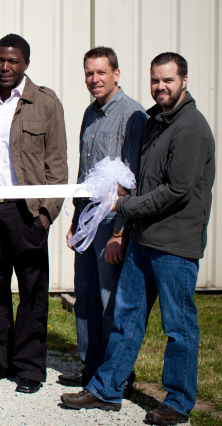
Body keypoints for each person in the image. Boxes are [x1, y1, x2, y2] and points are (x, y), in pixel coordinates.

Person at [61, 52, 215, 426]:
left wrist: (123, 211)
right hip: (144, 237)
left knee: (178, 327)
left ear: (184, 81)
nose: (160, 87)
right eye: (155, 81)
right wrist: (127, 223)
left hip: (175, 245)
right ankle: (107, 389)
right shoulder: (157, 122)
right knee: (126, 318)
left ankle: (178, 402)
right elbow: (142, 179)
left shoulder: (190, 127)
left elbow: (176, 191)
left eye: (168, 81)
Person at [0, 33, 68, 393]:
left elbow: (58, 167)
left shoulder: (47, 103)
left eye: (13, 61)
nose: (5, 67)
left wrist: (46, 216)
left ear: (25, 63)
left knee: (32, 293)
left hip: (27, 213)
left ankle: (30, 370)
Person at [59, 47, 146, 395]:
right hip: (87, 219)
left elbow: (134, 179)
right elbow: (84, 171)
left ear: (116, 74)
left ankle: (115, 374)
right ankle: (90, 366)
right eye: (89, 74)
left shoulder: (133, 115)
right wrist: (76, 219)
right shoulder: (89, 114)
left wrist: (120, 233)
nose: (94, 80)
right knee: (87, 298)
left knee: (111, 300)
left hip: (112, 222)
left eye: (101, 73)